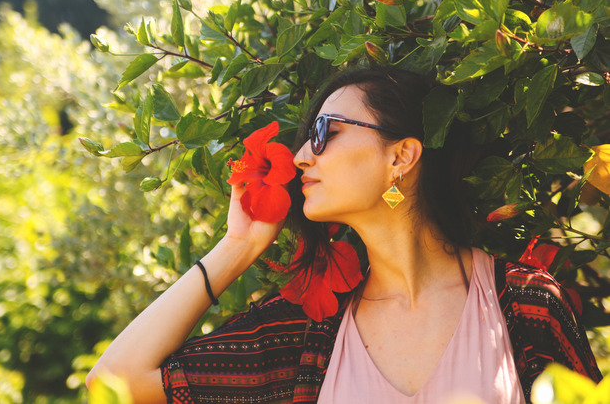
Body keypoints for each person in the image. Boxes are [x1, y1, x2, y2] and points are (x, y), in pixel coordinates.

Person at [86, 68, 602, 403]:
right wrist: (237, 247)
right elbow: (118, 382)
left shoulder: (527, 306)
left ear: (400, 156)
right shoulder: (303, 333)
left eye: (324, 133)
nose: (300, 157)